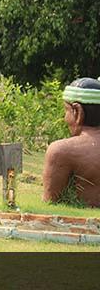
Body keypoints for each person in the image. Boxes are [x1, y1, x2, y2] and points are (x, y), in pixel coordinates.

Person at [42, 77, 100, 207]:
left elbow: (50, 202)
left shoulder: (61, 150)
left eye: (66, 110)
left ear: (77, 112)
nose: (64, 118)